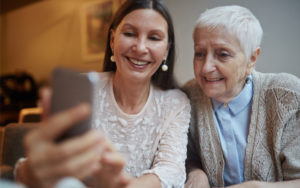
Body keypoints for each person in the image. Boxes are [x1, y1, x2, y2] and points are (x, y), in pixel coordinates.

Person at [15, 0, 191, 188]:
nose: (140, 48)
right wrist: (29, 172)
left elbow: (171, 171)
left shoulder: (175, 103)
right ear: (112, 40)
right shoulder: (82, 91)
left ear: (166, 50)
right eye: (130, 34)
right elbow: (47, 162)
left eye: (154, 38)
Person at [183, 5, 300, 188]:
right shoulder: (187, 96)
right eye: (199, 53)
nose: (206, 67)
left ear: (252, 59)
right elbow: (187, 156)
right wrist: (195, 172)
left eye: (222, 54)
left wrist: (257, 187)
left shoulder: (288, 96)